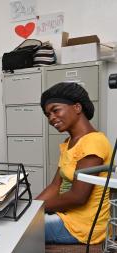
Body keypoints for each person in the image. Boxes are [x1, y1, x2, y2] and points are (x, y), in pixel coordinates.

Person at [36, 82, 112, 244]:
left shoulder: (94, 141)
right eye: (48, 115)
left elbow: (78, 197)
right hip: (66, 216)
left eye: (55, 110)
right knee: (18, 221)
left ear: (77, 107)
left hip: (84, 226)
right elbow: (55, 186)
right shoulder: (69, 142)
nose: (51, 118)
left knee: (18, 230)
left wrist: (34, 210)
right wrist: (31, 206)